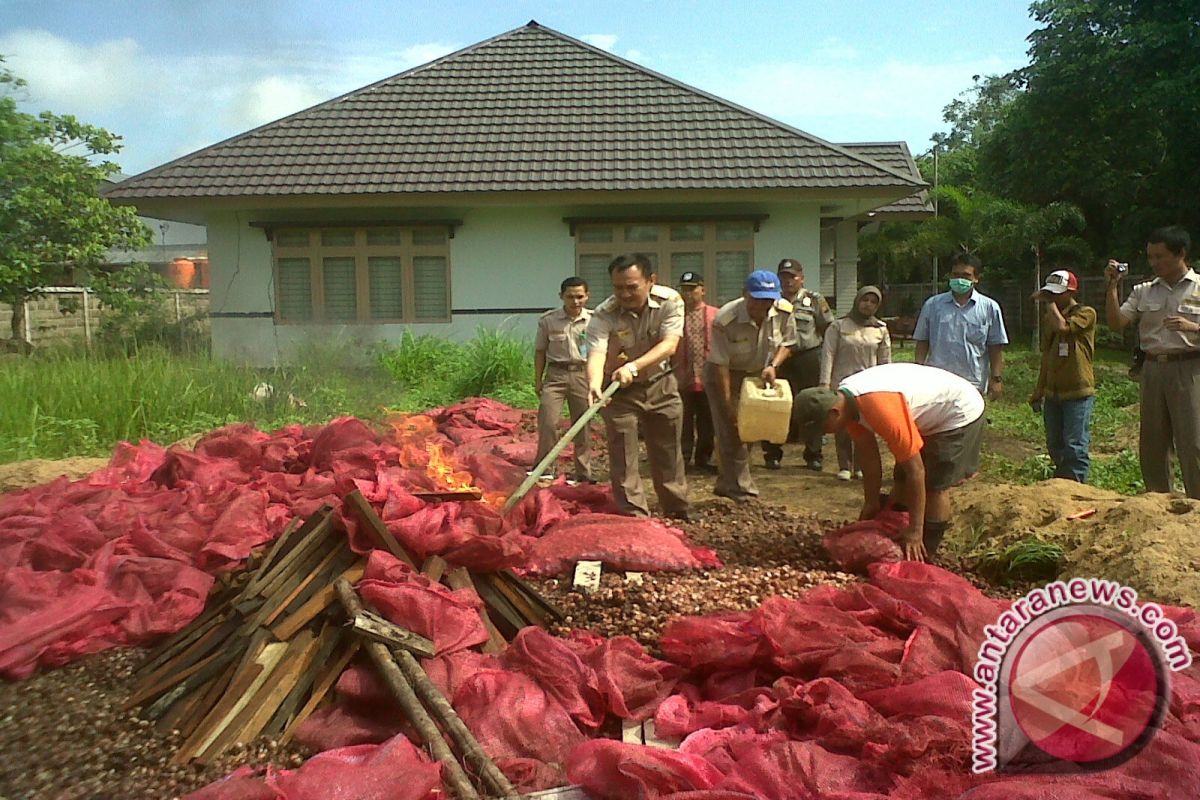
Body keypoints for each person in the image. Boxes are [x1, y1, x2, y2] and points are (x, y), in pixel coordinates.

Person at [794, 363, 986, 562]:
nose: (825, 433)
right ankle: (897, 531)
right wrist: (871, 501)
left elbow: (917, 472)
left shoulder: (879, 408)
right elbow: (869, 459)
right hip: (926, 411)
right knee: (901, 479)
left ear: (834, 413)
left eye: (824, 428)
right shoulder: (847, 404)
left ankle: (926, 550)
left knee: (934, 485)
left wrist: (915, 531)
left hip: (957, 411)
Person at [585, 253, 692, 519]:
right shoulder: (604, 313)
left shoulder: (670, 301)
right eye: (618, 287)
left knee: (668, 450)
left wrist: (633, 366)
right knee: (623, 454)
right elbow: (596, 352)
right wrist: (594, 384)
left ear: (650, 281)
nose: (625, 294)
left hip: (660, 384)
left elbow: (669, 345)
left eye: (632, 287)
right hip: (619, 392)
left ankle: (676, 508)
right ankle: (633, 514)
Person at [1104, 225, 1200, 498]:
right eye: (1150, 257)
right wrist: (1112, 287)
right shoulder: (1144, 291)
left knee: (1193, 441)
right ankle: (1158, 503)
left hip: (1191, 368)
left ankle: (1197, 506)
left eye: (1160, 256)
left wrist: (1192, 328)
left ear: (1180, 253)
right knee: (1153, 443)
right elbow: (1116, 322)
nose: (1154, 262)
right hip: (1153, 369)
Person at [704, 270, 797, 502]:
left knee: (751, 429)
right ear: (745, 294)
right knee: (731, 429)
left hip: (758, 373)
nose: (764, 305)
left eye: (768, 300)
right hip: (724, 374)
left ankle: (727, 482)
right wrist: (728, 405)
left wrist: (774, 365)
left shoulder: (783, 311)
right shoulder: (726, 319)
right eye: (758, 299)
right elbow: (721, 365)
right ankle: (742, 489)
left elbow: (789, 343)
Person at [1029, 270, 1097, 483]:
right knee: (1055, 444)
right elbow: (1047, 356)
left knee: (1075, 445)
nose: (1053, 299)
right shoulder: (1050, 319)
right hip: (1054, 392)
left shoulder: (1086, 313)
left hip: (1077, 391)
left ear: (1071, 292)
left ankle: (1076, 486)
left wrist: (1049, 305)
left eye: (1056, 294)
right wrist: (1039, 390)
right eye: (1049, 295)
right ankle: (1062, 483)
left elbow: (1064, 327)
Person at [766, 258, 834, 470]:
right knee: (774, 406)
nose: (788, 282)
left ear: (801, 278)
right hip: (779, 359)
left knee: (813, 407)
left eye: (792, 277)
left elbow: (827, 329)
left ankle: (813, 454)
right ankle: (772, 453)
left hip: (808, 357)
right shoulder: (771, 301)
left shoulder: (813, 300)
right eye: (783, 277)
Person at [820, 285, 892, 481]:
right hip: (841, 384)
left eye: (873, 302)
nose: (868, 305)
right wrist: (825, 384)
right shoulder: (839, 326)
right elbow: (828, 355)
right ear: (857, 300)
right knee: (842, 425)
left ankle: (860, 466)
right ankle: (844, 466)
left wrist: (887, 386)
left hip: (868, 386)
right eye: (865, 300)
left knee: (865, 426)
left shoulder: (881, 329)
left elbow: (885, 361)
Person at [914, 252, 1008, 398]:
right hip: (937, 382)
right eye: (955, 274)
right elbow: (922, 341)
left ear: (976, 278)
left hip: (973, 383)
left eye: (965, 275)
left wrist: (996, 379)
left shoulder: (990, 307)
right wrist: (918, 372)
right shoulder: (933, 305)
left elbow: (995, 347)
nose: (960, 279)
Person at [533, 276, 593, 483]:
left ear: (587, 296)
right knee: (548, 422)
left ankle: (583, 473)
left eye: (579, 296)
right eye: (570, 297)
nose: (575, 301)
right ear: (561, 296)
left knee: (583, 424)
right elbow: (540, 351)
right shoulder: (549, 320)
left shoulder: (594, 321)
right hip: (556, 375)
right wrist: (538, 380)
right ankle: (544, 469)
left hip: (583, 375)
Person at [672, 271, 719, 473]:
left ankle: (703, 458)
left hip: (708, 376)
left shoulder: (715, 315)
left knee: (707, 420)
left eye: (692, 289)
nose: (688, 294)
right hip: (681, 376)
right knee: (682, 420)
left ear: (702, 290)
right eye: (684, 290)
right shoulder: (675, 316)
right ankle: (682, 457)